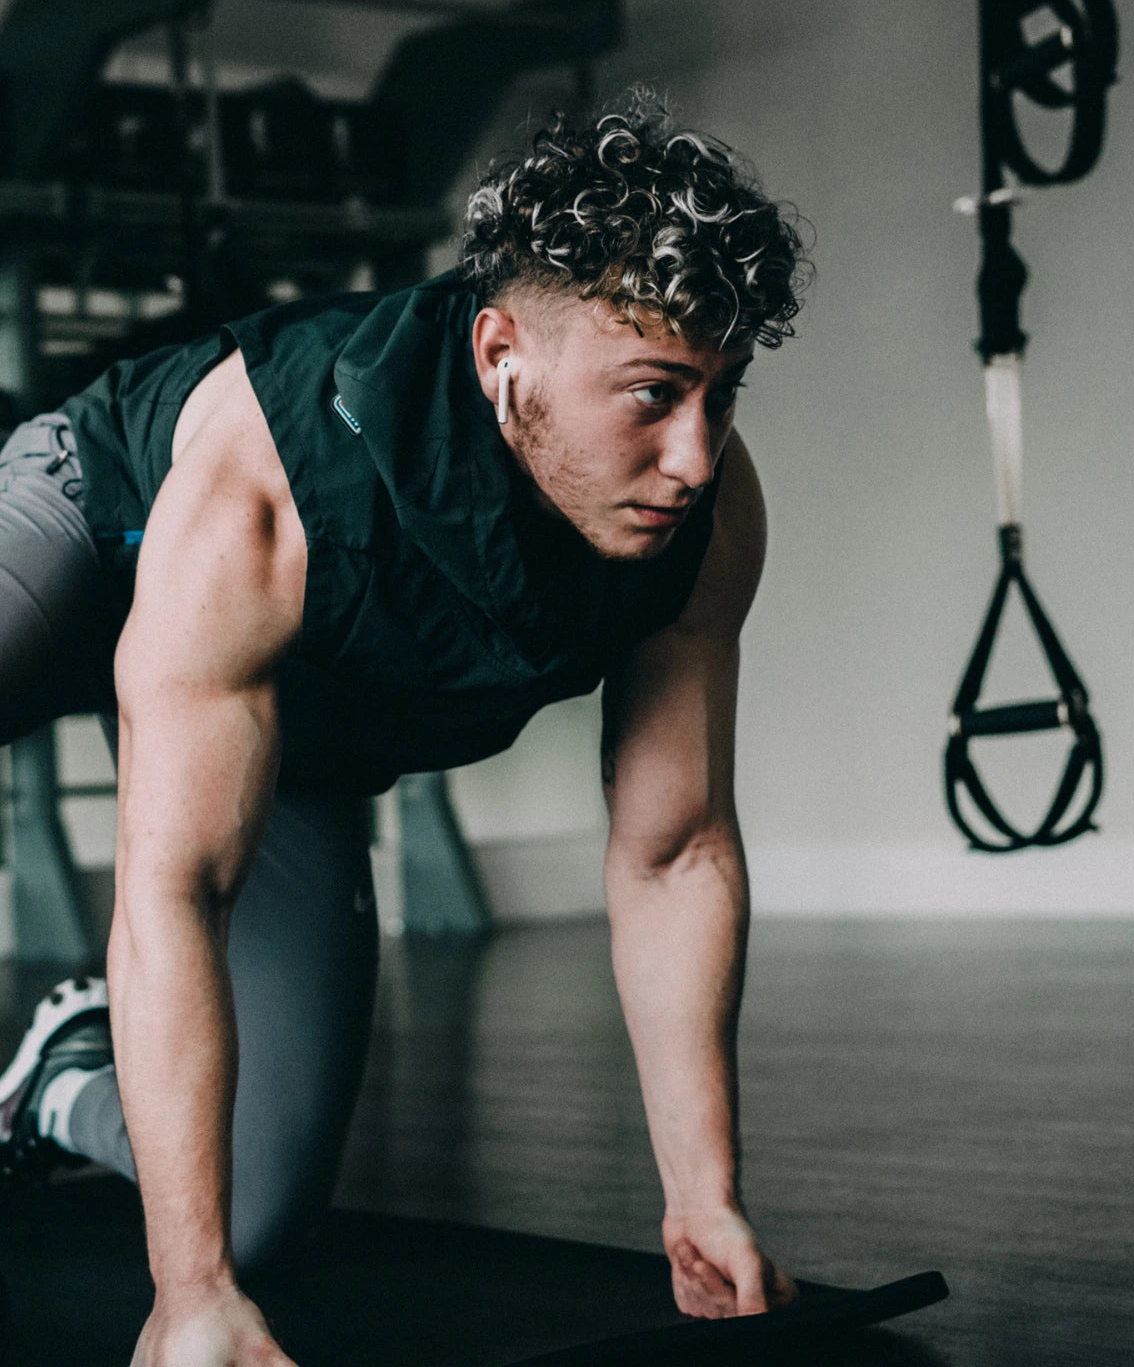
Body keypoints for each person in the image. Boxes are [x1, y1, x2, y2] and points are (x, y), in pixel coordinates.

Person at [0, 93, 809, 1366]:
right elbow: (177, 883)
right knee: (202, 1259)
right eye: (653, 394)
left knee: (251, 1214)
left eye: (721, 392)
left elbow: (675, 850)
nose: (697, 454)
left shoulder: (699, 519)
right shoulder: (276, 477)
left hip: (290, 716)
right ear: (503, 357)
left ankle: (60, 1076)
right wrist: (182, 1294)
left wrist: (702, 1192)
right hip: (100, 523)